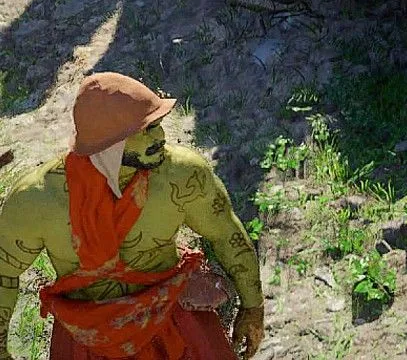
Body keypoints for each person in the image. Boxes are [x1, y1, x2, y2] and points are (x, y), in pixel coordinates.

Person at [0, 72, 266, 360]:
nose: (160, 137)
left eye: (158, 125)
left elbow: (225, 234)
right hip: (87, 338)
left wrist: (253, 307)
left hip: (175, 324)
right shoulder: (37, 200)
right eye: (146, 129)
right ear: (108, 142)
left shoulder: (181, 175)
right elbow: (4, 273)